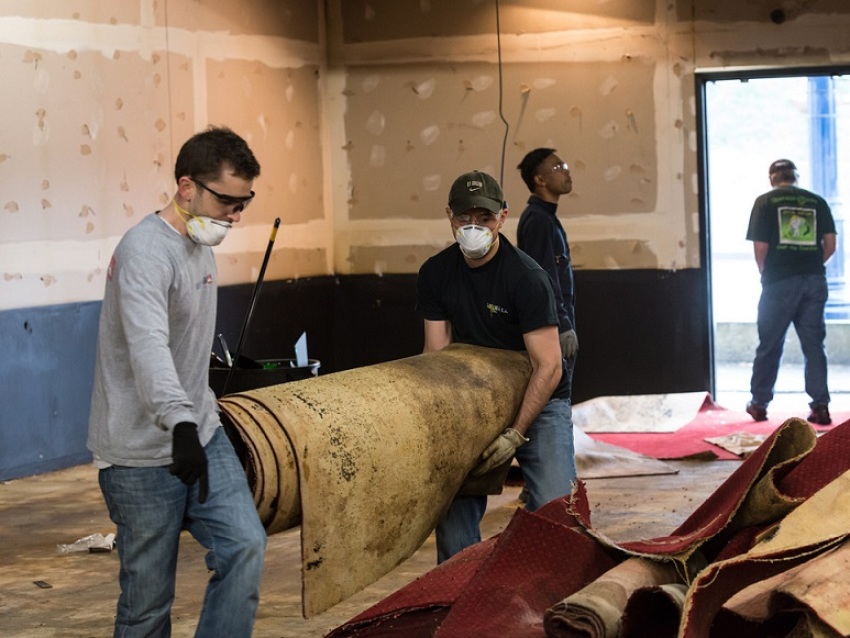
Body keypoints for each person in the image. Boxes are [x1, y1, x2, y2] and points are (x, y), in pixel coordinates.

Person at [88, 126, 268, 637]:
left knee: (244, 546)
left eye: (244, 203)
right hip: (139, 453)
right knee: (147, 604)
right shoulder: (145, 253)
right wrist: (179, 422)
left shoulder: (198, 242)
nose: (235, 215)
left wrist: (197, 422)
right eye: (228, 201)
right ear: (186, 187)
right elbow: (148, 349)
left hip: (200, 435)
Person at [417, 170, 576, 563]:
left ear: (503, 218)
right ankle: (458, 601)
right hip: (473, 397)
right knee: (452, 514)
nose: (474, 227)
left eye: (484, 219)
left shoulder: (527, 278)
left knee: (557, 511)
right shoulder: (436, 273)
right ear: (449, 216)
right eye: (464, 218)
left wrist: (516, 434)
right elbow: (436, 356)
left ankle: (557, 602)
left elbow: (549, 366)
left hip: (539, 398)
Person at [745, 158, 837, 426]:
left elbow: (760, 247)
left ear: (772, 178)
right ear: (796, 177)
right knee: (814, 346)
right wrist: (811, 265)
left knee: (770, 344)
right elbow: (830, 245)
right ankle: (820, 406)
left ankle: (759, 404)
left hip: (779, 282)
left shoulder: (764, 202)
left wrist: (768, 273)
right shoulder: (817, 202)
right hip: (814, 281)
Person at [516, 148, 578, 366]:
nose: (566, 172)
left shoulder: (547, 218)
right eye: (558, 167)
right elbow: (544, 277)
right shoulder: (538, 221)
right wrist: (562, 326)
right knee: (555, 397)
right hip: (551, 332)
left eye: (566, 166)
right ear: (539, 179)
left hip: (557, 325)